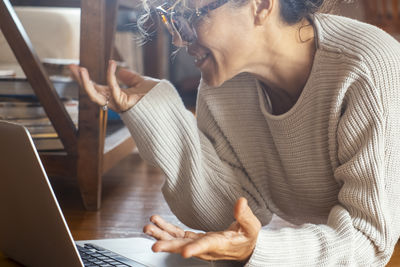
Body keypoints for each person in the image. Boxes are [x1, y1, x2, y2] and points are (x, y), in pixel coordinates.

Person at [70, 0, 400, 265]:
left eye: (188, 15)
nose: (177, 38)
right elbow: (236, 211)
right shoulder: (222, 86)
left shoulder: (369, 69)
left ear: (260, 6)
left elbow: (369, 241)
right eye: (170, 18)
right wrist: (159, 115)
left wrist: (258, 250)